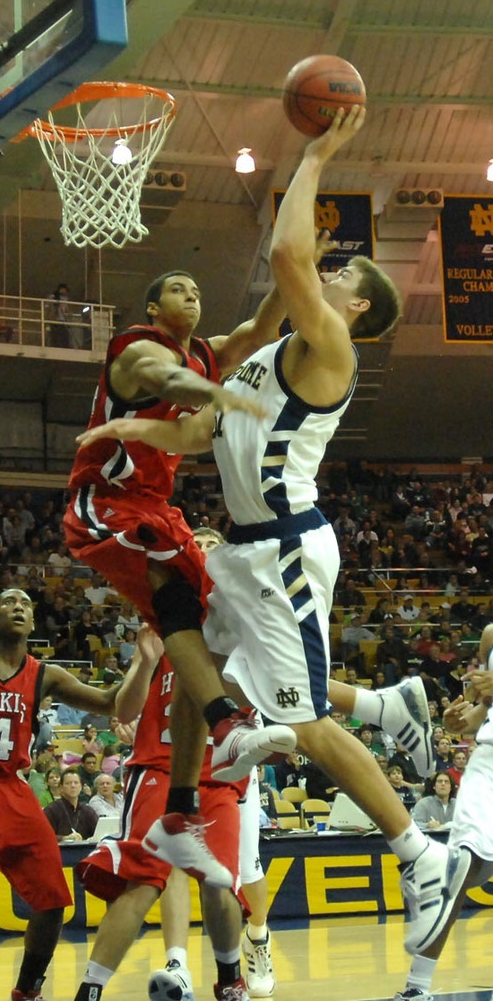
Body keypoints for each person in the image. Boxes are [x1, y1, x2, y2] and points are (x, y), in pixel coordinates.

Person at [80, 108, 471, 957]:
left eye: (340, 272)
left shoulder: (330, 343)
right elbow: (201, 436)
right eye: (329, 269)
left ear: (355, 301)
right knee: (190, 650)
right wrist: (136, 431)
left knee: (307, 727)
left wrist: (321, 151)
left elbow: (290, 255)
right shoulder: (268, 353)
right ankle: (182, 810)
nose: (323, 274)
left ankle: (421, 855)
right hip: (245, 547)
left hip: (287, 550)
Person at [65, 246, 298, 887]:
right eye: (179, 287)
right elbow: (170, 383)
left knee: (209, 617)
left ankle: (179, 813)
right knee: (179, 607)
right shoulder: (135, 350)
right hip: (106, 503)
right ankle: (227, 723)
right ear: (153, 307)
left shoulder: (204, 348)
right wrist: (220, 396)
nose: (192, 294)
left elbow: (259, 329)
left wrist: (289, 269)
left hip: (154, 506)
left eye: (198, 288)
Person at [0, 588, 122, 1001]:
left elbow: (106, 701)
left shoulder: (44, 674)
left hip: (13, 788)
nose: (18, 607)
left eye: (27, 604)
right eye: (8, 602)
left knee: (53, 900)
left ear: (32, 622)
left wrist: (149, 659)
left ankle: (28, 989)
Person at [72, 625, 251, 1001]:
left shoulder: (241, 632)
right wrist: (147, 661)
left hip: (217, 774)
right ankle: (90, 989)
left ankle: (230, 980)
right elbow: (125, 709)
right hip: (159, 767)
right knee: (142, 880)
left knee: (221, 882)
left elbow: (252, 702)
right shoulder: (163, 631)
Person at [394, 623, 493, 1001]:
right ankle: (418, 987)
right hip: (488, 760)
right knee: (461, 866)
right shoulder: (490, 635)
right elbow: (483, 708)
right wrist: (462, 723)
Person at [44, 769, 99, 841]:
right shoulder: (51, 810)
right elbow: (42, 835)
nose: (73, 786)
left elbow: (99, 833)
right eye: (68, 783)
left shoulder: (88, 810)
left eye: (76, 783)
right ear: (61, 787)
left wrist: (94, 838)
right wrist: (63, 838)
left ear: (81, 787)